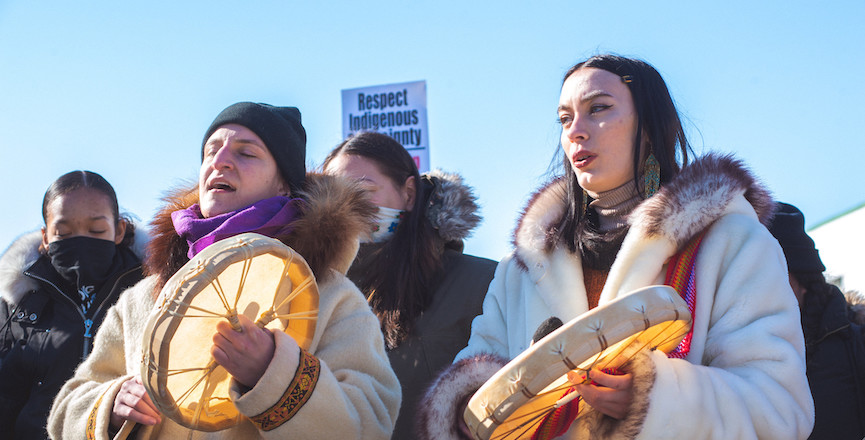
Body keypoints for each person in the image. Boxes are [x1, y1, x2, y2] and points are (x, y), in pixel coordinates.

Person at [418, 54, 814, 439]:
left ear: (647, 126)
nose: (575, 131)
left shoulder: (731, 243)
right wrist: (471, 413)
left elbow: (779, 409)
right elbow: (477, 380)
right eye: (565, 118)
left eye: (599, 108)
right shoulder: (522, 268)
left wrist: (652, 398)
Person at [47, 102, 401, 439]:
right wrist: (112, 403)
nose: (220, 161)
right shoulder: (144, 297)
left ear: (283, 184)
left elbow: (370, 423)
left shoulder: (330, 296)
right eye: (210, 151)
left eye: (246, 153)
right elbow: (66, 411)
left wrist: (274, 376)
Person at [322, 132, 496, 439]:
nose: (347, 206)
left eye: (363, 191)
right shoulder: (312, 294)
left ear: (409, 194)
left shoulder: (484, 283)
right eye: (335, 194)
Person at [0, 171, 144, 440]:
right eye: (63, 233)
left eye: (96, 230)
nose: (81, 241)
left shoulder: (150, 295)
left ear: (119, 230)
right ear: (45, 237)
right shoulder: (16, 306)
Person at [768, 202, 865, 440]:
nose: (761, 287)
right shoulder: (731, 351)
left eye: (773, 273)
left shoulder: (856, 344)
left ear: (803, 278)